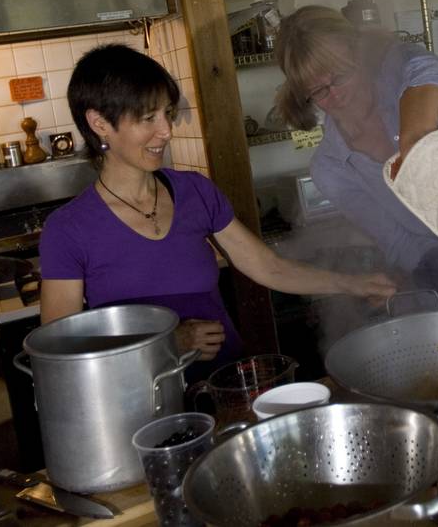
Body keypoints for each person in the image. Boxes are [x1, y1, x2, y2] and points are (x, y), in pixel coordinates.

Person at [38, 44, 395, 377]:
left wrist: (354, 284)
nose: (166, 131)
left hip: (226, 384)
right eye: (148, 118)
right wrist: (165, 341)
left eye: (167, 113)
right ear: (99, 123)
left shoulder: (194, 191)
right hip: (145, 410)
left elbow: (268, 267)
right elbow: (61, 346)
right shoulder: (68, 229)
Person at [272, 6, 438, 299]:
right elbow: (399, 241)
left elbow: (426, 76)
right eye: (319, 92)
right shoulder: (330, 169)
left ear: (359, 56)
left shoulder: (405, 68)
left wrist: (414, 142)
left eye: (339, 77)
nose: (336, 96)